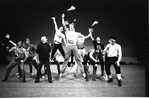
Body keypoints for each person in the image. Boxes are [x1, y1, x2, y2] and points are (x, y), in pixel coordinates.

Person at [59, 13, 86, 78]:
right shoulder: (67, 31)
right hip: (68, 46)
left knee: (78, 59)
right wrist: (62, 17)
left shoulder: (76, 33)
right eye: (70, 26)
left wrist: (83, 36)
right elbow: (63, 24)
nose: (71, 27)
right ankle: (61, 72)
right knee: (66, 59)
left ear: (73, 27)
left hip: (74, 46)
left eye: (72, 27)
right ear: (69, 27)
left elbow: (83, 36)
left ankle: (83, 72)